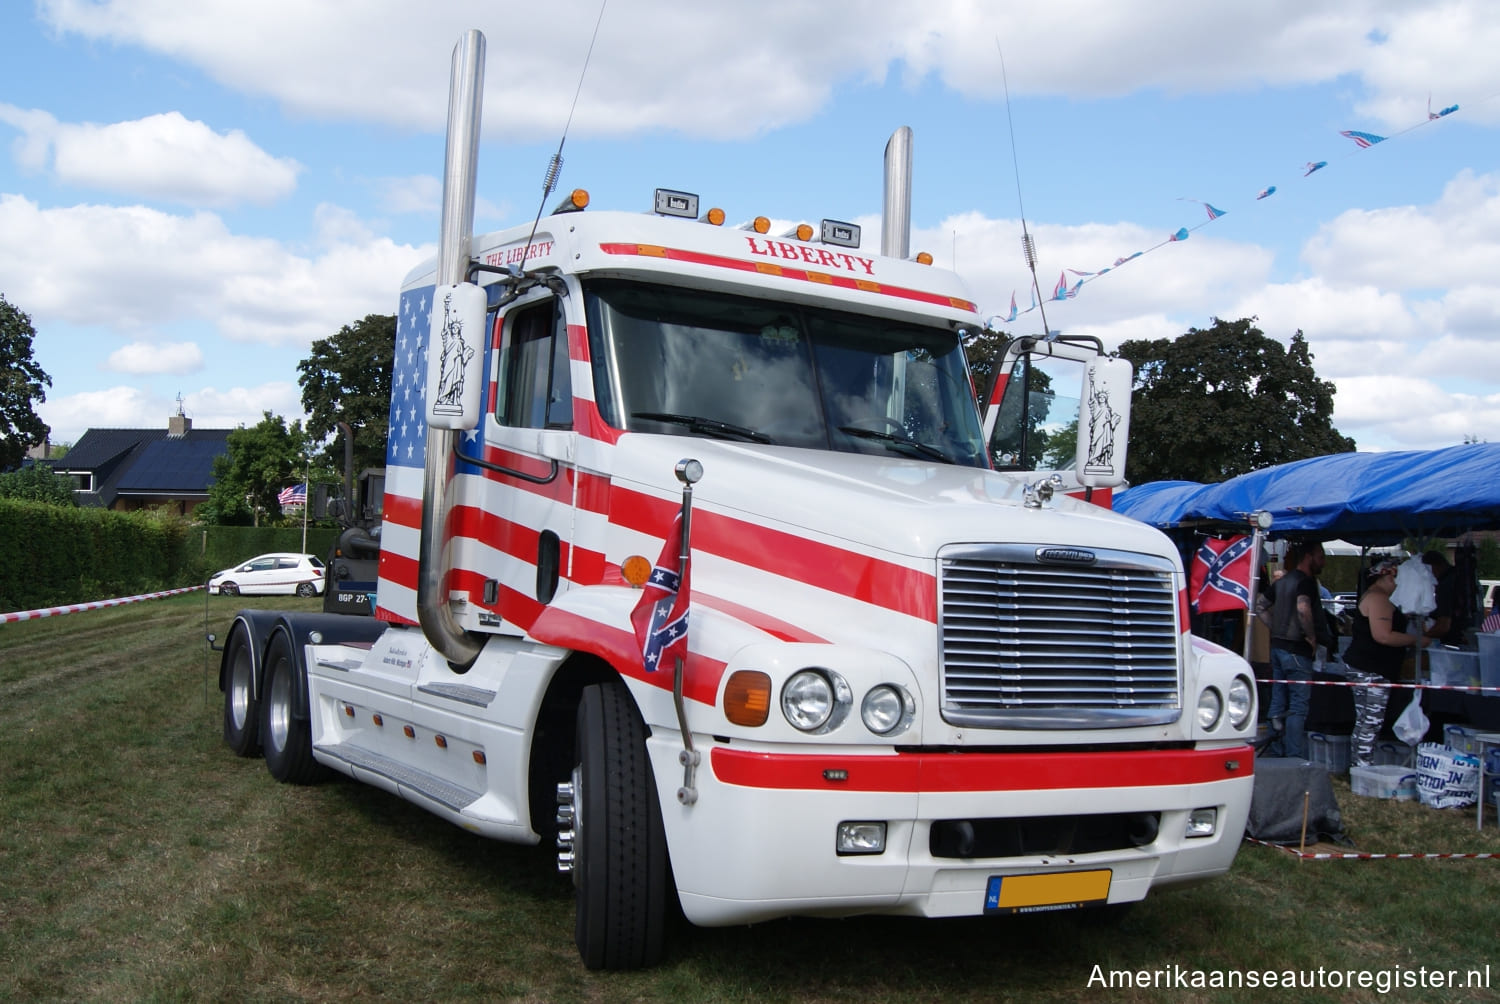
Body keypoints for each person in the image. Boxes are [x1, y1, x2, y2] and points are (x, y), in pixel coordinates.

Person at [1342, 558, 1431, 767]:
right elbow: (1383, 635)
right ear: (1388, 576)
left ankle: (1359, 764)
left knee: (1366, 719)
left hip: (1374, 667)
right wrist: (1416, 641)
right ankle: (1362, 766)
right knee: (1370, 720)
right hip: (1370, 668)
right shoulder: (1378, 599)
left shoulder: (1384, 599)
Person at [1265, 541, 1329, 759]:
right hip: (1296, 650)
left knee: (1278, 699)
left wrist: (1274, 627)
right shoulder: (1306, 582)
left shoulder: (1283, 582)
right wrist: (1311, 637)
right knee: (1298, 705)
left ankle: (1274, 751)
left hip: (1277, 647)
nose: (1323, 561)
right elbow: (1303, 608)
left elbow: (1259, 605)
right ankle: (1293, 755)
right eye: (1320, 556)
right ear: (1309, 556)